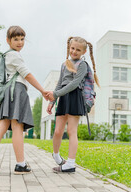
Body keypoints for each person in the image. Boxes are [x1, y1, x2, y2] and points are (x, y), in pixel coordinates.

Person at [0, 26, 48, 175]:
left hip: (9, 93)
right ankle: (20, 164)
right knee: (17, 128)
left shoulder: (7, 55)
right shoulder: (14, 55)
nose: (20, 42)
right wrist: (42, 90)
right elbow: (27, 75)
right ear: (8, 40)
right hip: (16, 92)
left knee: (0, 129)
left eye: (22, 39)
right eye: (16, 39)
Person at [46, 36, 99, 173]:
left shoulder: (82, 65)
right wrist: (53, 101)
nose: (74, 51)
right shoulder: (64, 64)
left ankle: (70, 163)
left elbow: (75, 83)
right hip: (63, 97)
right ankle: (57, 156)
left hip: (75, 97)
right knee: (57, 131)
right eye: (72, 48)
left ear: (84, 52)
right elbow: (59, 83)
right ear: (69, 48)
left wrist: (56, 94)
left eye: (78, 50)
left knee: (71, 131)